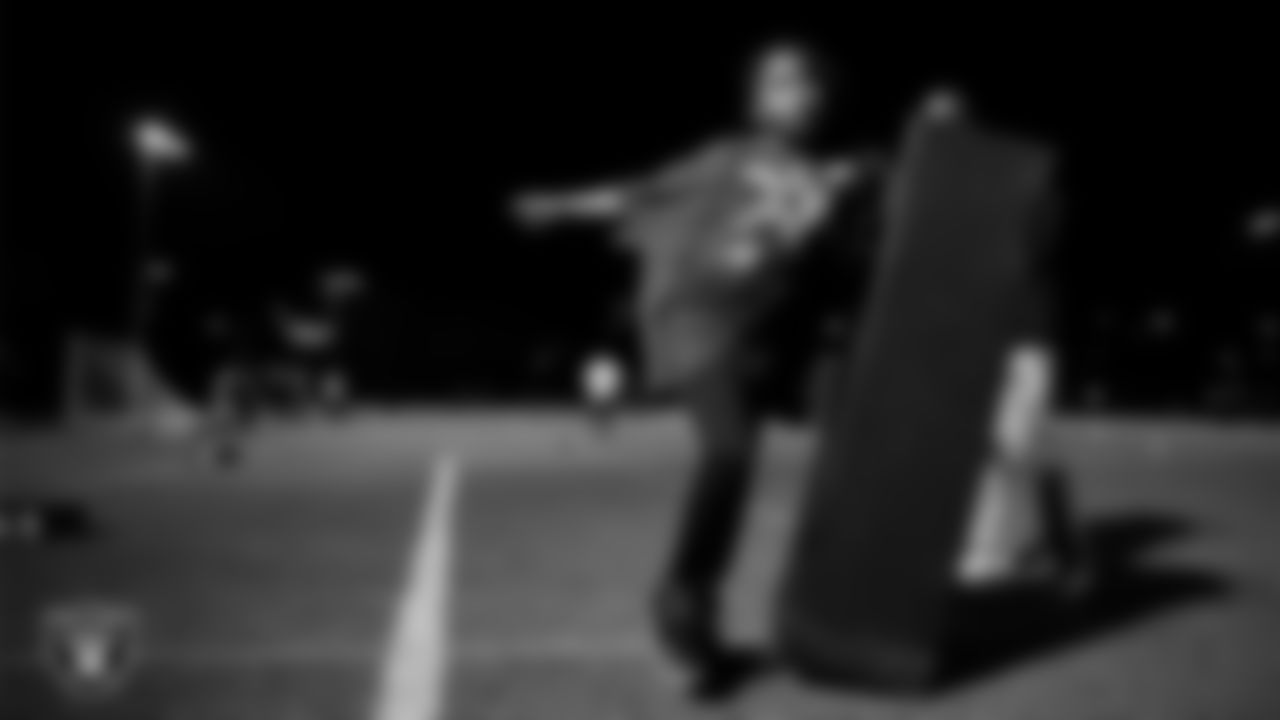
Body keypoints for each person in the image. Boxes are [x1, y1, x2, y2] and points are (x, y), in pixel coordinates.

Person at [513, 38, 879, 698]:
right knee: (731, 450)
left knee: (832, 430)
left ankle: (763, 612)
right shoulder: (725, 158)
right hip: (695, 324)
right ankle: (683, 591)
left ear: (824, 98)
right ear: (756, 98)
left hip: (763, 340)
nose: (790, 91)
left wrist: (886, 172)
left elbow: (855, 235)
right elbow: (638, 193)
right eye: (776, 80)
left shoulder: (827, 183)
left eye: (802, 81)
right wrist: (560, 206)